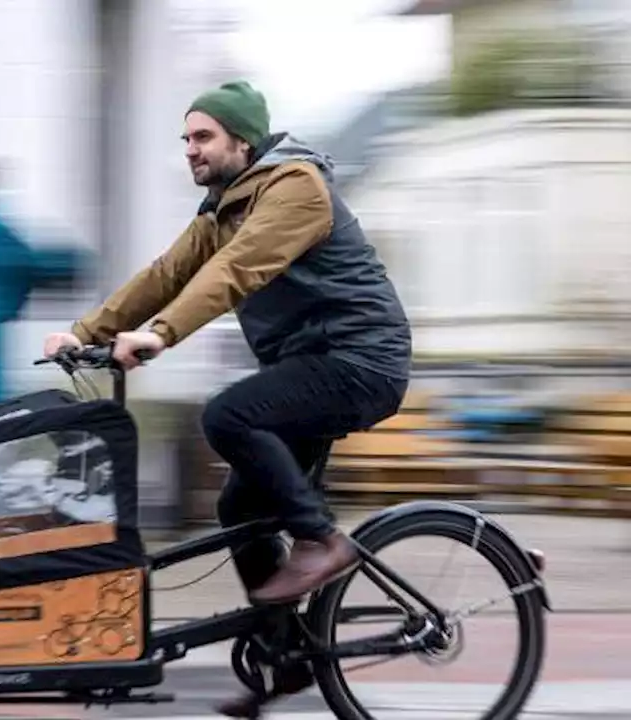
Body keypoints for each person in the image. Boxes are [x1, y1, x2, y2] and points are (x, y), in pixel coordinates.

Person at [42, 80, 412, 717]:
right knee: (240, 502)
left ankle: (322, 541)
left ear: (243, 140)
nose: (190, 149)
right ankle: (285, 653)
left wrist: (160, 334)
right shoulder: (222, 207)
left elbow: (235, 269)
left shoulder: (296, 188)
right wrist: (84, 333)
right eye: (186, 138)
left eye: (203, 136)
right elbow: (166, 273)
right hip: (311, 363)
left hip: (359, 360)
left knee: (229, 414)